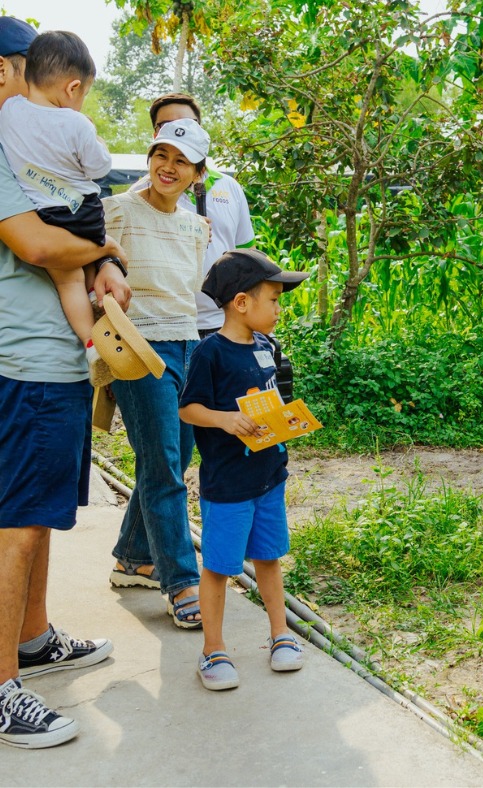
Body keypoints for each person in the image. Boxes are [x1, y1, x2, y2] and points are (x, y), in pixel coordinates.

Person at [0, 15, 130, 749]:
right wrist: (104, 245)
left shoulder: (23, 142)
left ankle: (31, 638)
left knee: (39, 515)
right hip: (23, 361)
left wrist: (99, 263)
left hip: (53, 359)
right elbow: (37, 241)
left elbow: (65, 243)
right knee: (14, 526)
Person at [179, 249, 309, 690]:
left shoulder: (267, 346)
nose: (278, 309)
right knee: (218, 566)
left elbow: (273, 395)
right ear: (240, 302)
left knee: (269, 557)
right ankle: (213, 650)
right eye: (273, 299)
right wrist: (224, 419)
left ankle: (281, 634)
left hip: (269, 476)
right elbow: (188, 409)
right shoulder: (209, 354)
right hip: (229, 483)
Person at [104, 118, 210, 628]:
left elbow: (185, 292)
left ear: (197, 173)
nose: (168, 167)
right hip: (139, 347)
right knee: (164, 463)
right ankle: (181, 581)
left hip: (187, 345)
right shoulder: (117, 210)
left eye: (181, 161)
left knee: (173, 457)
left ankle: (132, 556)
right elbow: (96, 274)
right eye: (161, 155)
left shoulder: (195, 226)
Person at [0, 30, 118, 386]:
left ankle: (93, 342)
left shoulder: (10, 113)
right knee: (72, 275)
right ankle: (98, 327)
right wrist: (109, 247)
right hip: (81, 211)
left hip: (46, 210)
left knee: (69, 280)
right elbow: (99, 168)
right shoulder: (77, 123)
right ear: (73, 87)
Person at [144, 92, 255, 338]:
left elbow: (245, 254)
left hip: (222, 323)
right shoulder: (138, 195)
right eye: (167, 126)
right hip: (162, 327)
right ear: (155, 134)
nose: (178, 131)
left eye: (187, 125)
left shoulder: (229, 187)